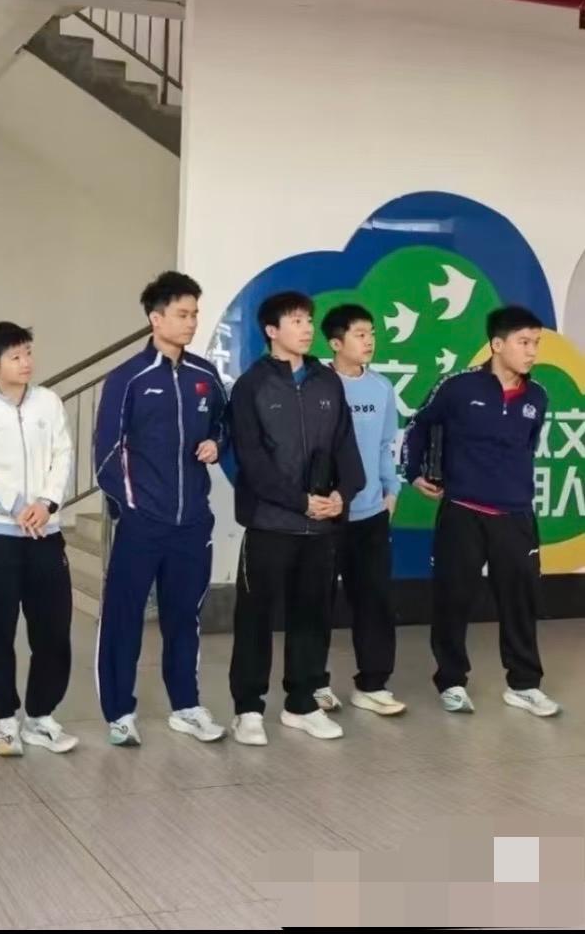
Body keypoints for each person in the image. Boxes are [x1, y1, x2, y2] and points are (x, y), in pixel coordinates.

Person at [93, 271, 229, 748]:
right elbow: (106, 455)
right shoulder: (127, 378)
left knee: (184, 618)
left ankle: (186, 706)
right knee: (124, 617)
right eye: (182, 314)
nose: (191, 322)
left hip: (192, 522)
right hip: (142, 522)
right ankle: (119, 712)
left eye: (195, 314)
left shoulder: (205, 375)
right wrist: (129, 509)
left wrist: (216, 443)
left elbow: (225, 425)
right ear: (156, 318)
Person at [402, 306, 559, 717]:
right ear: (497, 344)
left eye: (536, 343)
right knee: (453, 600)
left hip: (515, 515)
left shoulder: (538, 396)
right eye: (524, 342)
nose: (532, 351)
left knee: (520, 602)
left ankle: (524, 685)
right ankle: (452, 681)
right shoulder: (457, 386)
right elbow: (419, 425)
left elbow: (527, 446)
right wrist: (413, 473)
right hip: (462, 512)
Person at [227, 291, 365, 746]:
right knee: (255, 619)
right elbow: (252, 461)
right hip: (270, 524)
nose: (306, 329)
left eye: (308, 320)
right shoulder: (251, 386)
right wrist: (300, 501)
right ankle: (248, 709)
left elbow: (347, 448)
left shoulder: (327, 382)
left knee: (313, 617)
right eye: (296, 321)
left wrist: (342, 494)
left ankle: (302, 704)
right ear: (272, 330)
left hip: (320, 527)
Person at [0, 322, 78, 756]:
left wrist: (46, 503)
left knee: (53, 628)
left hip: (45, 531)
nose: (26, 362)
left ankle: (41, 716)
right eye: (15, 356)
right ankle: (5, 719)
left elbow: (63, 455)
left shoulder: (49, 402)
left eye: (28, 352)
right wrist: (16, 506)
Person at [314, 304, 405, 716]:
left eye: (372, 333)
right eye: (360, 334)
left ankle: (372, 684)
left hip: (370, 514)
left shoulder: (381, 388)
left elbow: (385, 445)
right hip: (324, 515)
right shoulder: (316, 386)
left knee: (374, 600)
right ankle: (314, 683)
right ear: (336, 343)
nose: (369, 341)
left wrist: (391, 490)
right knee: (316, 600)